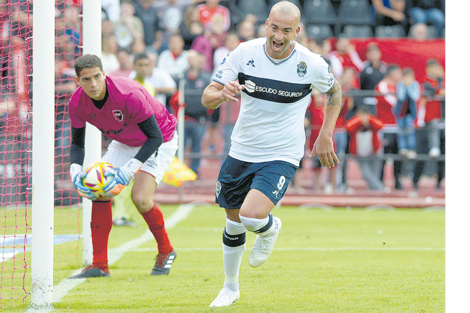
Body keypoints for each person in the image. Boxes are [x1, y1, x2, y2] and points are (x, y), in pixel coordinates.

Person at [201, 1, 342, 307]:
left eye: (287, 31)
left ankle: (270, 228)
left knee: (252, 215)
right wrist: (221, 93)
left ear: (297, 31)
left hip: (282, 151)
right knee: (234, 221)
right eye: (274, 28)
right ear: (266, 24)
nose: (279, 36)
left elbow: (334, 91)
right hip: (241, 149)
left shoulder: (311, 63)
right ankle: (230, 288)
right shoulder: (243, 53)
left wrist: (326, 133)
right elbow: (207, 97)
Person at [67, 54, 178, 279]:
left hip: (160, 138)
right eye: (86, 79)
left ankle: (166, 251)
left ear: (104, 74)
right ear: (78, 81)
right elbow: (77, 143)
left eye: (97, 77)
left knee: (140, 198)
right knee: (98, 190)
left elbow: (154, 136)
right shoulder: (77, 103)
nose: (93, 84)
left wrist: (129, 169)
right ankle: (100, 265)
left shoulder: (128, 94)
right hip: (125, 141)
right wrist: (75, 171)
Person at [375, 64, 403, 190]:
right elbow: (392, 103)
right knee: (384, 157)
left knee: (399, 156)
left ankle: (397, 182)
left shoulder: (398, 86)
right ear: (392, 73)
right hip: (386, 126)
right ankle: (380, 183)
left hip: (398, 126)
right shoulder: (382, 85)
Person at [345, 107, 385, 191]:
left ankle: (375, 193)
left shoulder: (372, 124)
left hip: (374, 152)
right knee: (365, 174)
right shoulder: (356, 126)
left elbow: (380, 125)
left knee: (374, 175)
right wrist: (358, 120)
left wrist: (369, 119)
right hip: (361, 154)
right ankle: (381, 189)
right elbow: (348, 127)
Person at [395, 67, 419, 159]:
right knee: (401, 131)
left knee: (410, 131)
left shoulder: (415, 84)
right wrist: (404, 86)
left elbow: (415, 97)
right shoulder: (400, 85)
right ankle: (402, 148)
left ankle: (411, 149)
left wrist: (409, 87)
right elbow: (400, 97)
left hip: (410, 112)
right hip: (400, 112)